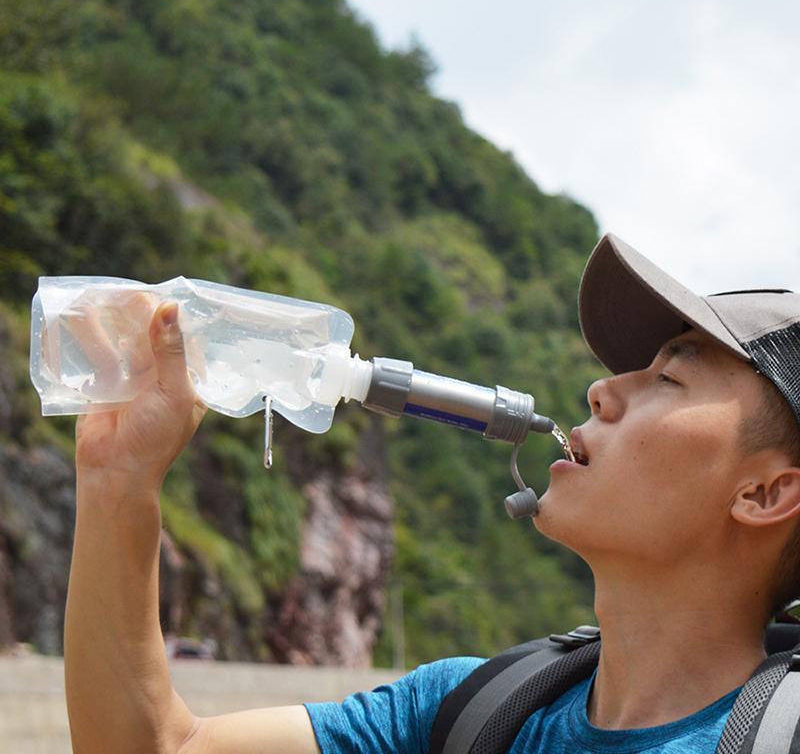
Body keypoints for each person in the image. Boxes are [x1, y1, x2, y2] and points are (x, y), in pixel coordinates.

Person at [64, 234, 800, 753]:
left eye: (671, 377)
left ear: (765, 493)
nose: (602, 388)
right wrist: (117, 481)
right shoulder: (471, 712)